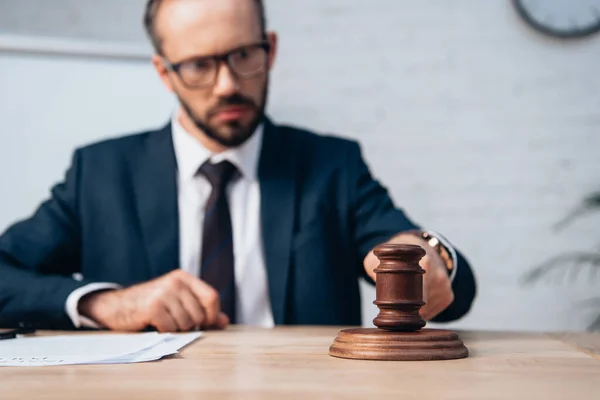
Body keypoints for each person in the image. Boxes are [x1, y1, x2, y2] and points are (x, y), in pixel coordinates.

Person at [0, 0, 476, 332]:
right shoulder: (100, 174)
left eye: (243, 55)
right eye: (199, 65)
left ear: (270, 49)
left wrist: (428, 255)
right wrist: (105, 303)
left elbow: (449, 280)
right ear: (164, 73)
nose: (227, 84)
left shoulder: (333, 166)